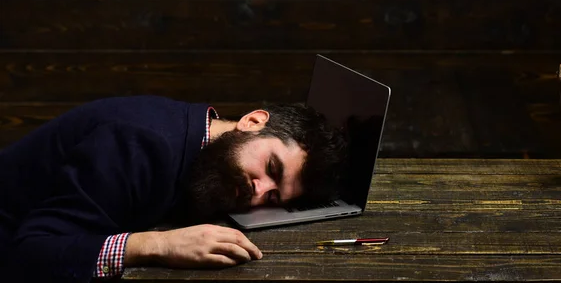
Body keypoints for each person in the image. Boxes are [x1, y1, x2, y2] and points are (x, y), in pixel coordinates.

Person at [0, 95, 347, 282]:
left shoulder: (204, 142)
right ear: (253, 121)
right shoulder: (136, 146)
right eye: (271, 168)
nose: (258, 192)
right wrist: (158, 245)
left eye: (273, 197)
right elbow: (30, 253)